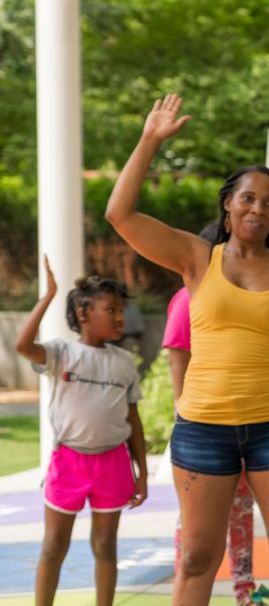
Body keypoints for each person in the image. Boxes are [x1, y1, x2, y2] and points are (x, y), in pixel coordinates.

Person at [105, 95, 269, 606]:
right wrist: (150, 140)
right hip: (204, 430)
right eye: (248, 198)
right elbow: (120, 213)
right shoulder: (197, 258)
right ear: (228, 203)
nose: (257, 208)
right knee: (198, 559)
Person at [15, 257, 147, 606]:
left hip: (114, 463)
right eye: (112, 310)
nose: (120, 318)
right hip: (69, 462)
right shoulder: (61, 353)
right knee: (54, 545)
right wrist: (48, 297)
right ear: (84, 314)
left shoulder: (123, 362)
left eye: (121, 310)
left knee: (106, 546)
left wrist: (142, 473)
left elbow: (133, 419)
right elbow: (22, 346)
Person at [161, 223, 259, 606]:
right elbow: (177, 358)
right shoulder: (189, 297)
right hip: (204, 430)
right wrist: (187, 416)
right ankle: (185, 589)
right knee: (196, 528)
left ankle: (245, 594)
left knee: (241, 515)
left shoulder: (246, 294)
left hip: (249, 426)